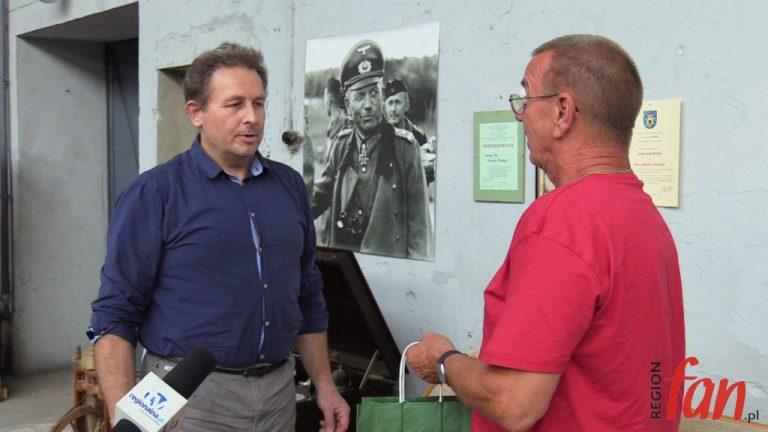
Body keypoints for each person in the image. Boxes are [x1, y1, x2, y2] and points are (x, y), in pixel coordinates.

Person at [406, 34, 685, 431]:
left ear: (562, 112)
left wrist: (442, 360)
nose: (519, 115)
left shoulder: (564, 220)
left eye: (526, 99)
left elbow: (514, 402)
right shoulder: (642, 214)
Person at [88, 42, 350, 432]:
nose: (251, 118)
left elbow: (307, 296)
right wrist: (124, 417)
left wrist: (325, 386)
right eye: (235, 104)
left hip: (279, 392)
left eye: (258, 103)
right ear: (196, 112)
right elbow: (115, 314)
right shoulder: (154, 195)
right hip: (185, 397)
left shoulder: (290, 187)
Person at [312, 39, 433, 260]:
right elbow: (316, 199)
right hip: (348, 270)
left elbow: (420, 231)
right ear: (348, 106)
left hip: (389, 270)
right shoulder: (341, 146)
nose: (368, 104)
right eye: (360, 96)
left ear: (382, 97)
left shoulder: (405, 149)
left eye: (374, 93)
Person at [384, 78, 436, 185]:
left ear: (407, 105)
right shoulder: (379, 136)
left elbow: (426, 180)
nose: (393, 109)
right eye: (390, 103)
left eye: (397, 103)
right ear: (384, 107)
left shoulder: (418, 135)